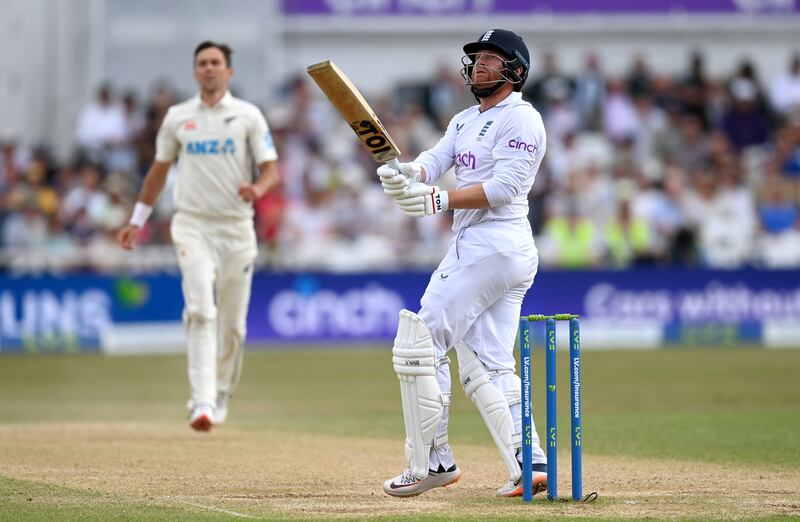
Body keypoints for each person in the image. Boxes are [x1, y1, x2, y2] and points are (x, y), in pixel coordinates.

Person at [377, 29, 548, 498]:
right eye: (475, 59)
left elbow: (504, 189)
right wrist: (406, 173)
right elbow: (433, 161)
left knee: (420, 340)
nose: (479, 66)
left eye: (491, 59)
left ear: (515, 70)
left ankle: (431, 461)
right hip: (492, 249)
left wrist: (438, 200)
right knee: (488, 364)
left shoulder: (522, 119)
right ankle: (530, 464)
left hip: (493, 243)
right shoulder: (464, 120)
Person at [116, 41, 280, 432]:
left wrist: (257, 189)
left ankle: (222, 391)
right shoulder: (177, 117)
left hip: (237, 227)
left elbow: (271, 169)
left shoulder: (247, 115)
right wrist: (138, 218)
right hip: (192, 225)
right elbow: (158, 172)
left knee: (233, 325)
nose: (208, 69)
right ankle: (202, 400)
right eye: (202, 63)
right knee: (201, 311)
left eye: (215, 63)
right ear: (195, 72)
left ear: (228, 71)